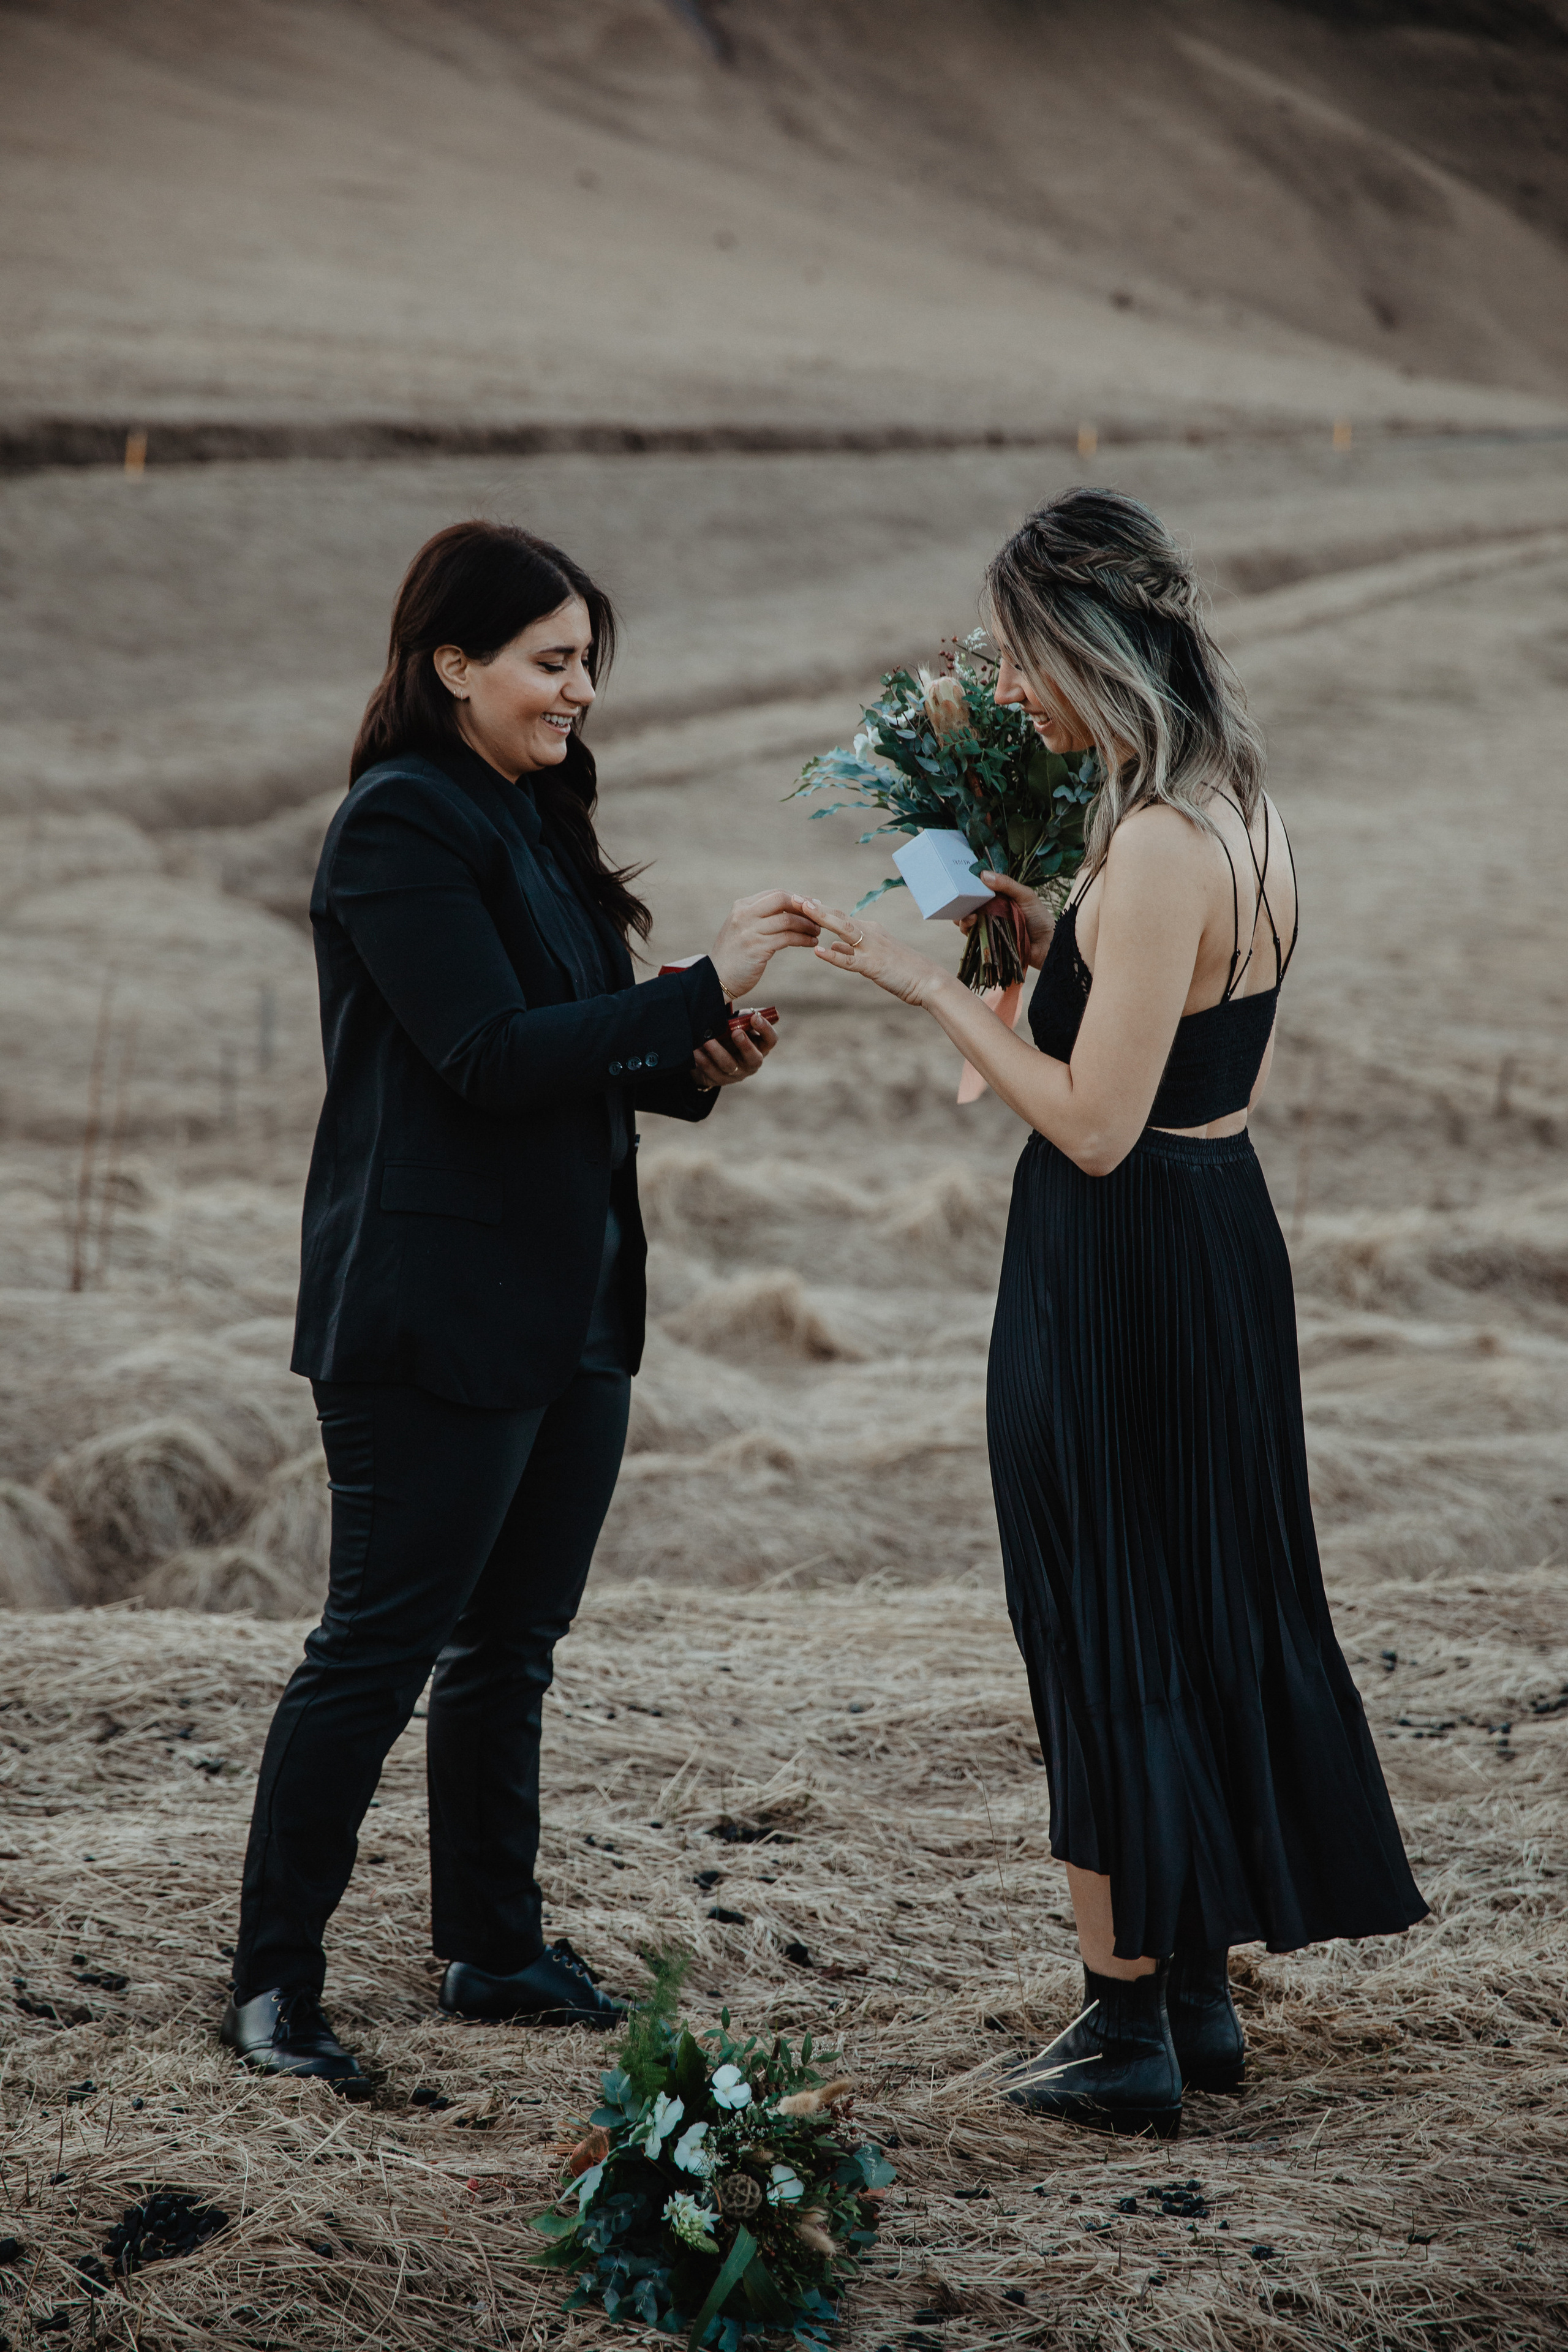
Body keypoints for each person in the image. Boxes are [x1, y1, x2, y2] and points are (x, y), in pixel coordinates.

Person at [799, 488, 1426, 2140]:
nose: (1008, 691)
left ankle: (1121, 2027)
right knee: (1194, 1600)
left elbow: (1088, 1120)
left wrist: (934, 987)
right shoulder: (1242, 813)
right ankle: (1197, 2002)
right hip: (1219, 1235)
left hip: (1120, 1255)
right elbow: (1191, 1052)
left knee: (1099, 1609)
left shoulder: (1152, 846)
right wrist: (1035, 937)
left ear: (1088, 646)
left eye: (1019, 655)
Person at [223, 520, 818, 2092]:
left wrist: (687, 1063)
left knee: (512, 1646)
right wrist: (694, 980)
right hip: (429, 1309)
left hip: (571, 1299)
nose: (579, 691)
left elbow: (568, 1044)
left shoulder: (536, 815)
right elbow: (482, 1055)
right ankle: (273, 1983)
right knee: (377, 1646)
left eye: (587, 664)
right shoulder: (397, 827)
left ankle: (491, 1945)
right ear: (452, 664)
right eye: (552, 662)